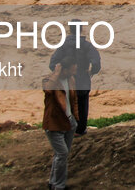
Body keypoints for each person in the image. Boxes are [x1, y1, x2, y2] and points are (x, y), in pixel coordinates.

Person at [49, 22, 101, 136]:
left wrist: (62, 73)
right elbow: (96, 63)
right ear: (81, 29)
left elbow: (52, 64)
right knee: (82, 105)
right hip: (83, 80)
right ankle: (80, 129)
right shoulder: (87, 46)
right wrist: (92, 71)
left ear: (70, 30)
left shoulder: (63, 46)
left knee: (67, 104)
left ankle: (67, 129)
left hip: (67, 80)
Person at [43, 61, 79, 190]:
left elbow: (73, 100)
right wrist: (56, 73)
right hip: (54, 124)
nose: (74, 72)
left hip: (70, 122)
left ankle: (53, 183)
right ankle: (58, 186)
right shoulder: (49, 80)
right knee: (62, 153)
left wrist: (76, 118)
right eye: (72, 69)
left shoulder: (71, 79)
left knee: (61, 155)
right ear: (64, 69)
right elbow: (48, 89)